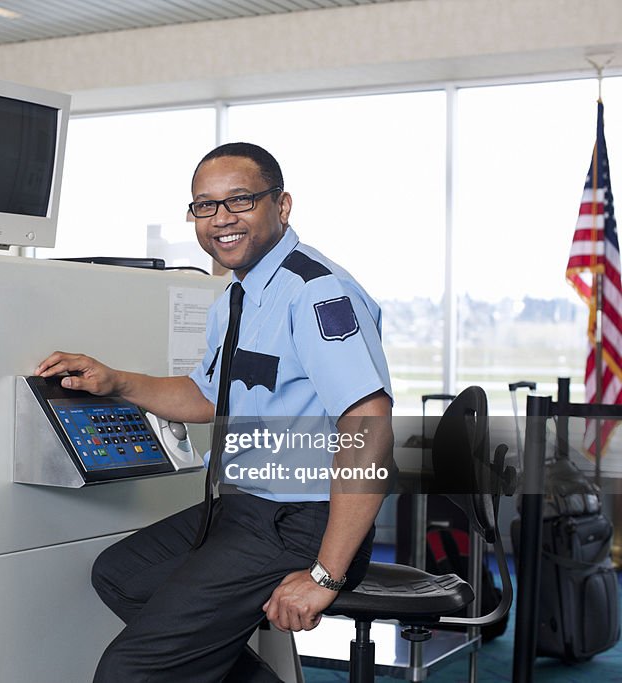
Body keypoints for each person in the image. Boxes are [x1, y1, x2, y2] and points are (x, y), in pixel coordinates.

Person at [35, 142, 394, 682]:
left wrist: (326, 574)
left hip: (300, 520)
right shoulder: (235, 297)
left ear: (283, 205)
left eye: (240, 200)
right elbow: (208, 398)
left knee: (130, 670)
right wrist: (114, 380)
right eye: (205, 205)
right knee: (123, 576)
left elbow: (369, 424)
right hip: (243, 508)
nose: (221, 219)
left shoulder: (316, 292)